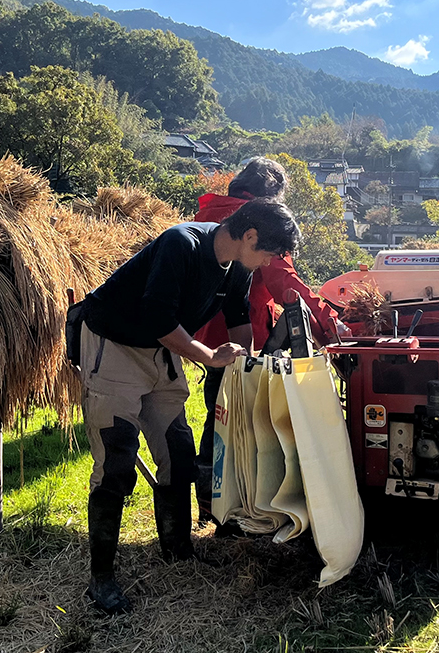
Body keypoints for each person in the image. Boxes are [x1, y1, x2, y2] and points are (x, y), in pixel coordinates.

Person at [78, 197, 301, 614]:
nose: (269, 261)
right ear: (250, 236)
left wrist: (245, 364)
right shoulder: (181, 244)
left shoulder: (238, 266)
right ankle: (101, 579)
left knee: (179, 453)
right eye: (269, 253)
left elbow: (237, 316)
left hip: (161, 353)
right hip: (116, 345)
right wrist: (210, 356)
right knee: (116, 458)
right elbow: (160, 319)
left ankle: (178, 549)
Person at [191, 157, 348, 524]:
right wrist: (332, 324)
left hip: (207, 333)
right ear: (270, 197)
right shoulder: (261, 223)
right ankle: (238, 504)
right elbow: (285, 284)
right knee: (244, 421)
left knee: (218, 416)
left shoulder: (209, 214)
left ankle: (209, 503)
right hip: (245, 334)